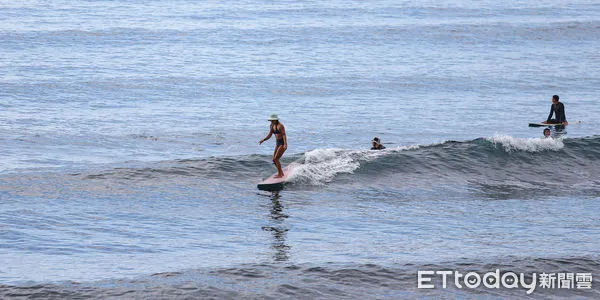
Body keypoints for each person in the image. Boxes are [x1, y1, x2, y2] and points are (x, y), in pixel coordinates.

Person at [259, 114, 287, 178]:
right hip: (277, 143)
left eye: (272, 120)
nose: (271, 121)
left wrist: (285, 144)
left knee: (276, 159)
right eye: (271, 120)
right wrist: (263, 140)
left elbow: (284, 135)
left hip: (282, 143)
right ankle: (281, 173)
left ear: (276, 120)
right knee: (274, 160)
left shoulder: (280, 126)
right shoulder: (272, 125)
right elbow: (270, 135)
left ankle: (280, 174)